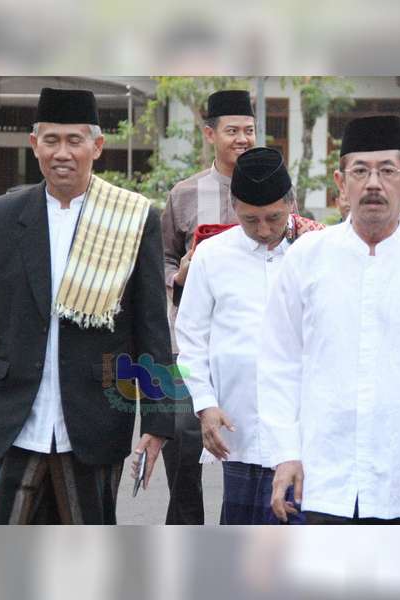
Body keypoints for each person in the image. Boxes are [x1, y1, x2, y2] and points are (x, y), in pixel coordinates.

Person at [0, 87, 173, 524]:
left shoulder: (133, 219)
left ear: (97, 146)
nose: (62, 152)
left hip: (92, 422)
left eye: (74, 140)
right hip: (12, 421)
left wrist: (159, 422)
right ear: (35, 145)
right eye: (51, 140)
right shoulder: (0, 218)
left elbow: (151, 330)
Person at [258, 115, 400, 524]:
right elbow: (279, 363)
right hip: (323, 478)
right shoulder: (307, 257)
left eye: (387, 171)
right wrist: (284, 452)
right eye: (360, 171)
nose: (372, 184)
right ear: (340, 182)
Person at [177, 147, 321, 524]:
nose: (263, 230)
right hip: (237, 430)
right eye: (250, 219)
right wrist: (205, 405)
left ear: (291, 202)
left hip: (303, 432)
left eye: (274, 217)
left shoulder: (317, 253)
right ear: (233, 205)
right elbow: (189, 341)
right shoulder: (211, 255)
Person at [160, 89, 255, 525]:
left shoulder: (274, 188)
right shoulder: (184, 195)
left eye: (249, 130)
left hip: (250, 342)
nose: (243, 139)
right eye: (232, 131)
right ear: (209, 134)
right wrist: (178, 275)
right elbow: (159, 260)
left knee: (250, 450)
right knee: (182, 444)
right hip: (192, 342)